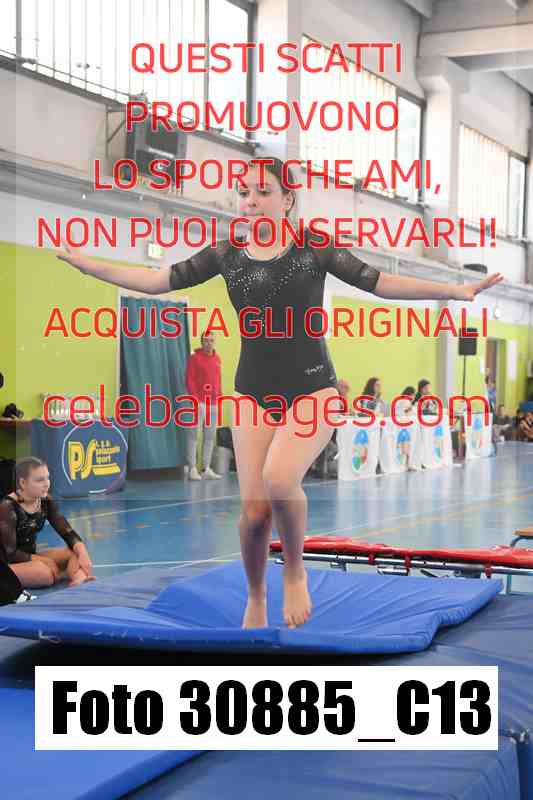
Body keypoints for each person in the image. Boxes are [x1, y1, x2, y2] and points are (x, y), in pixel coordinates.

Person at [56, 157, 502, 628]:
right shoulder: (226, 254)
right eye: (244, 192)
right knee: (253, 513)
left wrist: (455, 291)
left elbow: (381, 282)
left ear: (287, 198)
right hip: (252, 393)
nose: (251, 201)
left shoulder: (314, 247)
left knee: (279, 478)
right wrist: (89, 266)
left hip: (313, 388)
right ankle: (255, 595)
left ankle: (293, 571)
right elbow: (155, 280)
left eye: (263, 192)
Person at [0, 457, 94, 588]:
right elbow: (10, 553)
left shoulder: (44, 501)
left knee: (74, 553)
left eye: (47, 478)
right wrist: (44, 561)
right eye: (40, 480)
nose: (46, 484)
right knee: (44, 574)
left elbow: (67, 532)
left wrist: (83, 552)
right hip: (6, 563)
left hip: (29, 557)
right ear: (23, 482)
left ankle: (78, 580)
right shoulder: (7, 507)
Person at [185, 331, 223, 480]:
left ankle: (206, 468)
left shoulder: (217, 358)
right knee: (193, 436)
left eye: (211, 340)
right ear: (202, 342)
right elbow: (189, 379)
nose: (209, 343)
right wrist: (194, 399)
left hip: (213, 403)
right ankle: (192, 468)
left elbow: (218, 379)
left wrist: (219, 396)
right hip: (199, 402)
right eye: (206, 340)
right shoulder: (194, 358)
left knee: (210, 437)